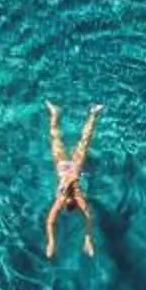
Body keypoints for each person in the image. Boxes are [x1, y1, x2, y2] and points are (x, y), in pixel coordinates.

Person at [45, 101, 101, 260]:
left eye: (66, 200)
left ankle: (55, 113)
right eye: (70, 201)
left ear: (65, 205)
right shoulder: (78, 199)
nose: (67, 199)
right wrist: (88, 238)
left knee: (55, 138)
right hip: (73, 167)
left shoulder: (61, 200)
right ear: (73, 203)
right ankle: (93, 113)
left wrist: (51, 242)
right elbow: (88, 218)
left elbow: (49, 222)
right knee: (84, 140)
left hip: (63, 167)